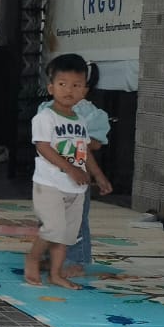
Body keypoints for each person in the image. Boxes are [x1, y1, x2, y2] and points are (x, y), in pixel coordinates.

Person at [28, 54, 111, 289]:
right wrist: (71, 168)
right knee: (52, 225)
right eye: (62, 84)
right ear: (51, 87)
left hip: (77, 185)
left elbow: (88, 148)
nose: (69, 90)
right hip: (51, 182)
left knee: (71, 229)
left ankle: (63, 267)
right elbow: (43, 146)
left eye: (76, 85)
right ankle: (35, 258)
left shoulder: (83, 118)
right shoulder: (45, 114)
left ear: (85, 89)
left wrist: (98, 175)